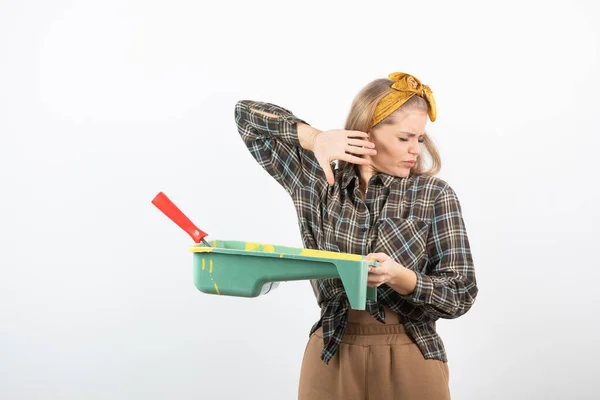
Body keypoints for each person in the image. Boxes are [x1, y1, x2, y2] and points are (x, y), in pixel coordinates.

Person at [234, 72, 478, 400]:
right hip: (331, 352)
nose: (414, 150)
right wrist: (317, 138)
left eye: (419, 139)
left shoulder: (433, 195)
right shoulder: (317, 183)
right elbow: (246, 116)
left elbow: (461, 293)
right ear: (365, 133)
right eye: (405, 138)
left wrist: (400, 276)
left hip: (410, 354)